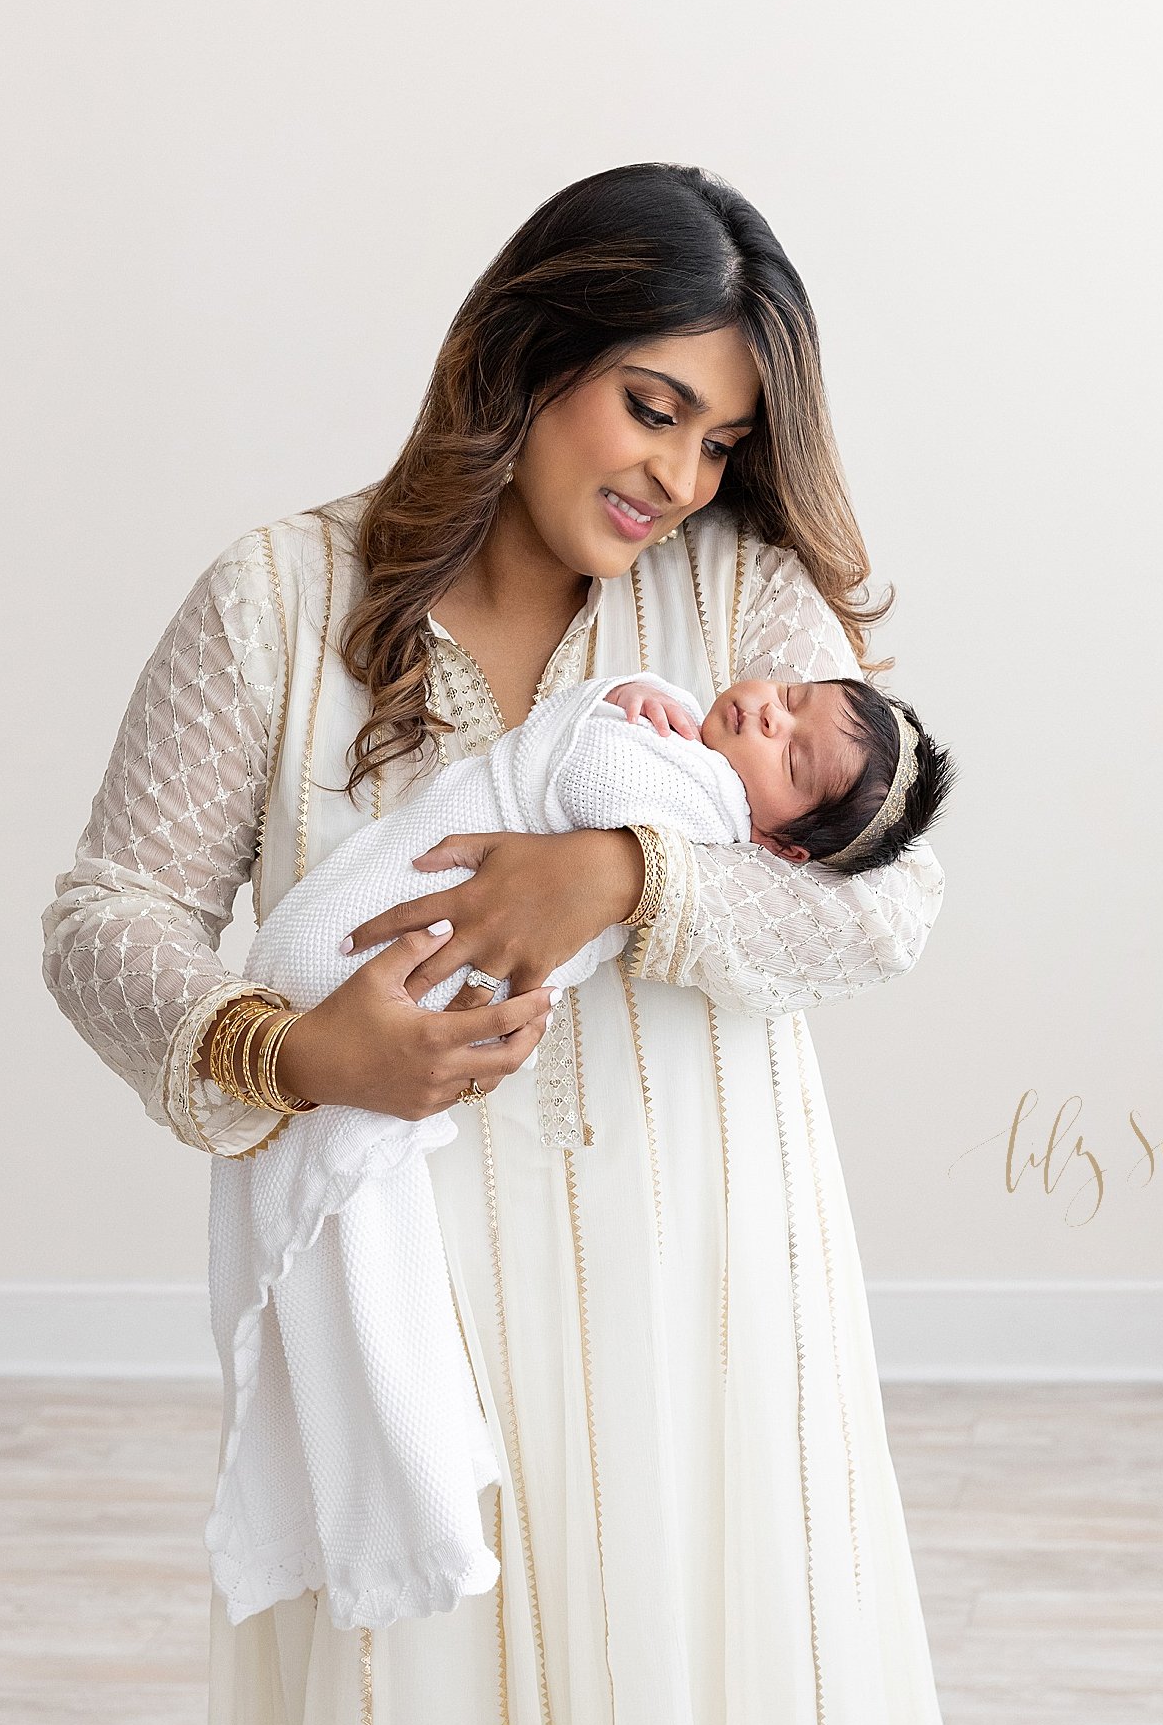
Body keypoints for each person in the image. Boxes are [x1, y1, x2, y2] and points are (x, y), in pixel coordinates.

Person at [42, 161, 1033, 1725]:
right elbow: (104, 922)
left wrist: (618, 879)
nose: (675, 476)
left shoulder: (727, 607)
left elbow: (892, 898)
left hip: (707, 1311)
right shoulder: (280, 603)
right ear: (524, 351)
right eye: (647, 405)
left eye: (718, 437)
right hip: (432, 1308)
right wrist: (297, 1044)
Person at [205, 667, 953, 1637]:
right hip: (352, 949)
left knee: (364, 1236)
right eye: (793, 696)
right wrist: (632, 691)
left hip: (376, 953)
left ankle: (403, 1481)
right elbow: (584, 744)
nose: (769, 712)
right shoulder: (690, 748)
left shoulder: (700, 802)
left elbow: (594, 779)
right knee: (362, 1231)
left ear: (772, 840)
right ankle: (404, 1478)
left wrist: (624, 765)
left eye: (792, 752)